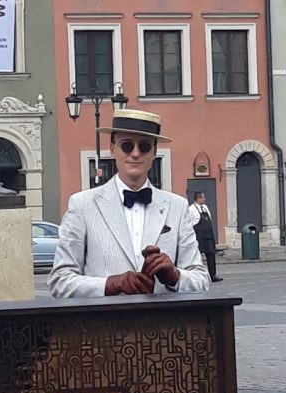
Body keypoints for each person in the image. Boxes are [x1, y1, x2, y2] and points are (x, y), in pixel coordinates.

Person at [49, 109, 209, 298]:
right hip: (103, 325)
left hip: (162, 325)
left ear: (155, 152)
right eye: (126, 145)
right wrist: (111, 284)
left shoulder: (177, 206)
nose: (135, 153)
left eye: (144, 146)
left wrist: (175, 277)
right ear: (113, 148)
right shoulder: (83, 205)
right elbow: (60, 281)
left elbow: (202, 280)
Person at [188, 191, 221, 281]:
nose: (204, 199)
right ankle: (197, 276)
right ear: (198, 199)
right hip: (199, 236)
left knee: (211, 255)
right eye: (203, 197)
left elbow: (209, 218)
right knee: (196, 256)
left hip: (208, 236)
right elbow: (189, 223)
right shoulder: (191, 209)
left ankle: (212, 275)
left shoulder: (205, 207)